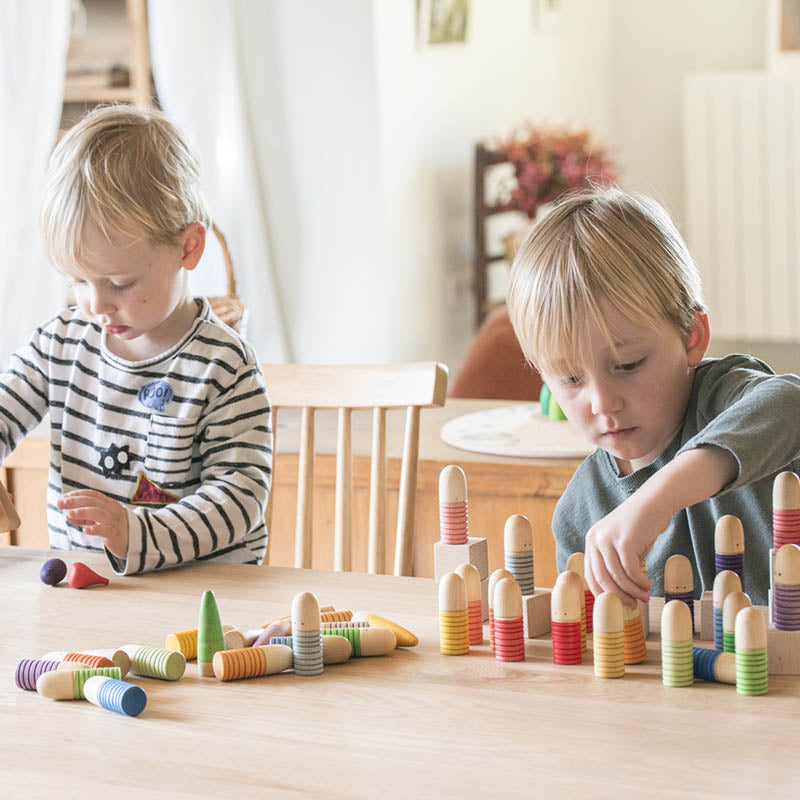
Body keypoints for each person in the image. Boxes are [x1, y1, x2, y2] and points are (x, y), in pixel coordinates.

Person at [3, 104, 272, 574]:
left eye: (120, 283)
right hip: (87, 588)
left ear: (188, 248)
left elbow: (239, 498)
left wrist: (137, 533)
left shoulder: (224, 365)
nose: (96, 305)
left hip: (206, 598)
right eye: (77, 281)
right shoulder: (60, 344)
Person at [507, 187, 800, 607]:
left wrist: (657, 498)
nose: (603, 402)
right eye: (570, 378)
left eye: (627, 365)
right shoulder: (579, 514)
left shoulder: (723, 398)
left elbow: (790, 401)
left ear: (691, 338)